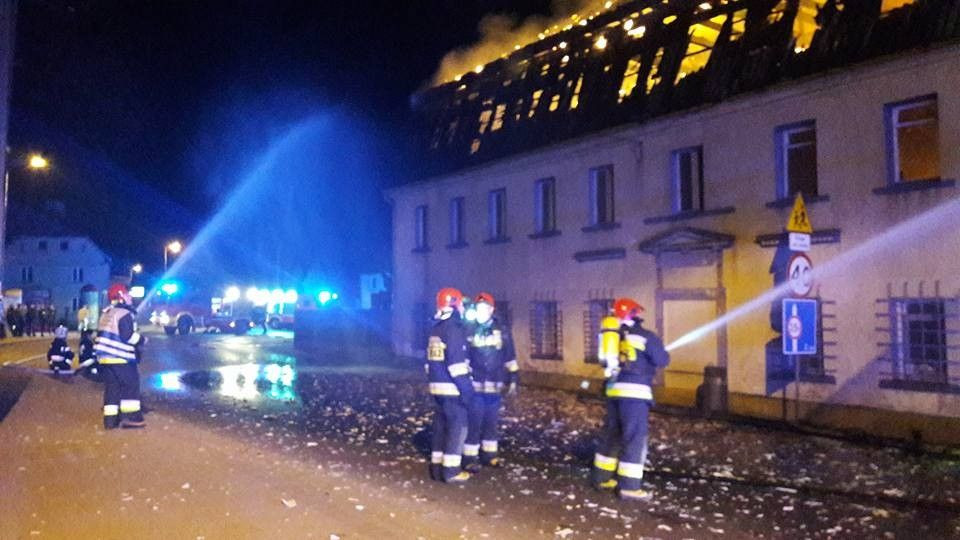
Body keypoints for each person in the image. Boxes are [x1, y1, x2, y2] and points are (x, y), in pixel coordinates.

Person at [591, 298, 670, 501]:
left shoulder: (612, 337)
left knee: (613, 435)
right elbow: (662, 360)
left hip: (614, 392)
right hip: (635, 395)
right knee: (635, 438)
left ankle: (602, 478)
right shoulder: (645, 336)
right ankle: (629, 487)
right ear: (634, 314)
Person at [463, 292, 518, 471]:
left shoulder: (500, 329)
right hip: (476, 384)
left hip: (495, 384)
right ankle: (470, 457)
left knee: (491, 422)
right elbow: (464, 355)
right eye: (478, 308)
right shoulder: (469, 329)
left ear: (491, 310)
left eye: (484, 308)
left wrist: (514, 377)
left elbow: (509, 353)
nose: (481, 312)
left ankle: (490, 456)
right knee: (474, 421)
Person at [426, 287, 474, 483]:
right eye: (461, 303)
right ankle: (452, 471)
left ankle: (437, 468)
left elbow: (429, 363)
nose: (463, 307)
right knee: (458, 427)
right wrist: (467, 390)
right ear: (454, 304)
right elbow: (456, 365)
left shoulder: (436, 328)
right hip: (452, 388)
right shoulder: (453, 329)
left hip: (436, 387)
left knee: (440, 428)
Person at [96, 284, 146, 429]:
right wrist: (142, 339)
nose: (130, 297)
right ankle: (132, 418)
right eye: (127, 294)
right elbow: (127, 336)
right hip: (120, 357)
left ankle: (110, 421)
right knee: (131, 385)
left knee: (112, 389)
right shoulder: (123, 314)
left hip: (105, 358)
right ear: (121, 296)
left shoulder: (107, 313)